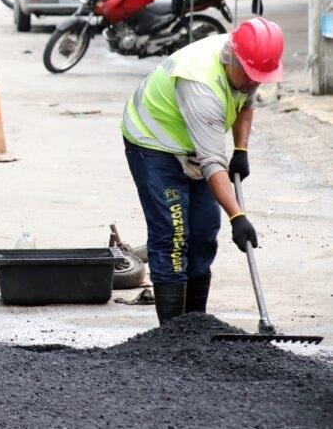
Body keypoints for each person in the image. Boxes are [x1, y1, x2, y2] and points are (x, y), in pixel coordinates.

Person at [121, 18, 283, 324]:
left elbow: (246, 103)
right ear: (233, 59)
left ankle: (196, 327)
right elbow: (212, 164)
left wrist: (241, 150)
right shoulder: (201, 86)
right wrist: (238, 216)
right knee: (173, 236)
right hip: (153, 142)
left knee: (204, 233)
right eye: (250, 76)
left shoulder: (247, 62)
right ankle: (171, 334)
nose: (254, 83)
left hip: (193, 144)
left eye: (259, 78)